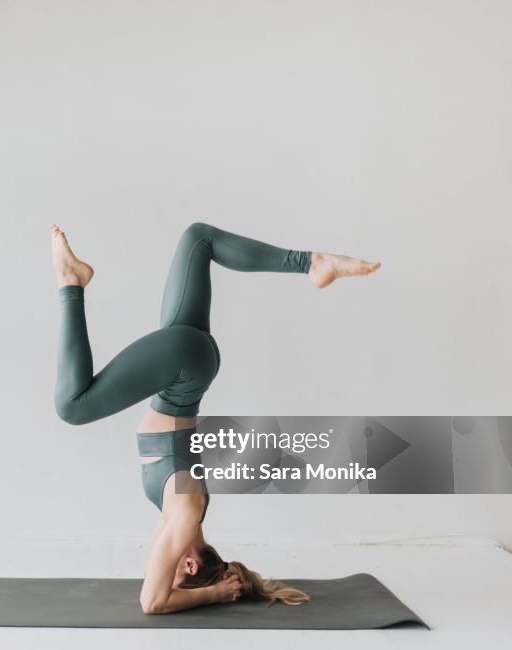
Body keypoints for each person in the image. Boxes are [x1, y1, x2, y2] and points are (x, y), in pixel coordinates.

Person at [51, 221, 380, 614]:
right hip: (182, 369)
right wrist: (216, 593)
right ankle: (72, 282)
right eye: (178, 570)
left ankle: (313, 262)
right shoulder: (187, 515)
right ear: (189, 564)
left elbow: (154, 582)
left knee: (198, 239)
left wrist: (224, 582)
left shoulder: (187, 514)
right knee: (73, 406)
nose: (163, 568)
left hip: (189, 368)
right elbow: (152, 602)